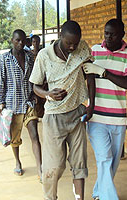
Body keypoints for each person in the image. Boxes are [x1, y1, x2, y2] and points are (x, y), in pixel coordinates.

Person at [29, 20, 95, 200]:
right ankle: (50, 197)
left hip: (77, 113)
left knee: (79, 163)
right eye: (68, 43)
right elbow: (35, 86)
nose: (72, 47)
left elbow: (90, 76)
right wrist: (49, 93)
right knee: (55, 165)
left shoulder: (82, 48)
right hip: (54, 118)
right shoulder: (44, 55)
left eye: (75, 42)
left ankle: (79, 198)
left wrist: (91, 106)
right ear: (60, 37)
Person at [83, 18, 127, 200]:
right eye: (106, 33)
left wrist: (103, 72)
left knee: (112, 163)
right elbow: (90, 79)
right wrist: (90, 107)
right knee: (104, 158)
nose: (107, 37)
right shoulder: (95, 51)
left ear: (122, 35)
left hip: (118, 118)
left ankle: (99, 192)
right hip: (97, 117)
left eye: (112, 34)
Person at [0, 29, 42, 179]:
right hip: (12, 106)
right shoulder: (5, 59)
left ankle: (40, 167)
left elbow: (35, 78)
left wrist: (35, 94)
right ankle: (17, 162)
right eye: (17, 40)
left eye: (23, 40)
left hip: (28, 103)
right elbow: (0, 82)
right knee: (15, 139)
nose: (20, 43)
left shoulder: (29, 57)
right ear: (12, 40)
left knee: (34, 135)